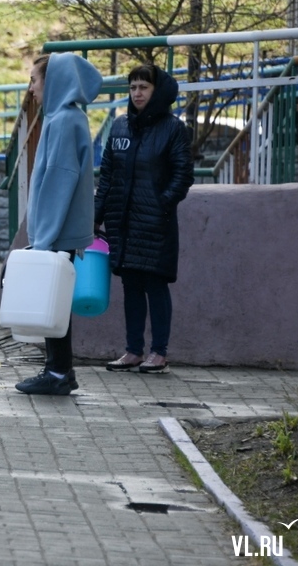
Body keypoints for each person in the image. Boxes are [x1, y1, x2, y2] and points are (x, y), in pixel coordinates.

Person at [96, 64, 194, 375]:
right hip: (122, 222)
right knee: (131, 285)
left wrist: (162, 204)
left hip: (155, 223)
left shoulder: (173, 128)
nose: (137, 93)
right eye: (133, 87)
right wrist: (95, 217)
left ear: (157, 91)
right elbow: (108, 174)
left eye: (144, 87)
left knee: (155, 284)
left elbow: (183, 175)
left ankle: (159, 352)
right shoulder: (120, 127)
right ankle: (133, 350)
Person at [15, 52, 102, 396]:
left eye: (34, 80)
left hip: (57, 234)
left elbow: (58, 182)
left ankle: (58, 371)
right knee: (55, 302)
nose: (31, 88)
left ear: (54, 81)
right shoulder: (63, 117)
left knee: (54, 303)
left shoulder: (65, 120)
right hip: (58, 233)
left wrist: (43, 240)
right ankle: (57, 369)